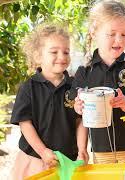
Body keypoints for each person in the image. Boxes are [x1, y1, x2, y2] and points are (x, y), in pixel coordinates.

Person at [72, 0, 125, 164]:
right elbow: (80, 116)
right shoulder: (85, 71)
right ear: (94, 32)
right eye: (111, 34)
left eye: (124, 34)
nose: (118, 40)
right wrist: (81, 148)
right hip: (100, 151)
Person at [10, 22, 89, 179]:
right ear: (38, 56)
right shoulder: (28, 88)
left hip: (68, 161)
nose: (62, 57)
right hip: (35, 159)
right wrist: (42, 151)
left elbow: (80, 120)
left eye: (66, 52)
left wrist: (82, 149)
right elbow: (25, 124)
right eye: (54, 52)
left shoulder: (75, 86)